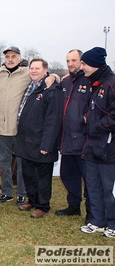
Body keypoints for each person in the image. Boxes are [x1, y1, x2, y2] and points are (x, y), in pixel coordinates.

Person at [0, 46, 56, 206]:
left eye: (13, 56)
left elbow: (45, 75)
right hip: (1, 126)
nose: (10, 59)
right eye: (7, 57)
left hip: (19, 127)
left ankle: (22, 193)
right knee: (4, 162)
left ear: (19, 58)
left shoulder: (27, 72)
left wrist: (54, 76)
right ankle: (7, 192)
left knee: (21, 164)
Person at [14, 58, 62, 218]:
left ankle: (42, 206)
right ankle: (32, 200)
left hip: (41, 141)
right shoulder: (31, 87)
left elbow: (53, 120)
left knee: (42, 177)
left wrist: (47, 144)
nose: (33, 71)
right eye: (31, 68)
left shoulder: (51, 89)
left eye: (37, 68)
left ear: (45, 70)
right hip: (26, 141)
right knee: (29, 174)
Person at [79, 47, 115, 238]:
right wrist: (88, 118)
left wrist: (95, 125)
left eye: (84, 63)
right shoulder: (95, 83)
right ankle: (98, 221)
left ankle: (113, 223)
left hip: (108, 147)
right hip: (92, 145)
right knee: (93, 185)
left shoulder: (111, 83)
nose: (81, 66)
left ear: (94, 64)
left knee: (108, 187)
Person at [55, 49, 92, 221]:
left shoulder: (90, 82)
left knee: (89, 179)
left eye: (74, 60)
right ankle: (73, 206)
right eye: (68, 60)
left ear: (82, 62)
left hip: (84, 140)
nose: (70, 64)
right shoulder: (66, 82)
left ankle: (92, 211)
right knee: (68, 175)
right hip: (67, 140)